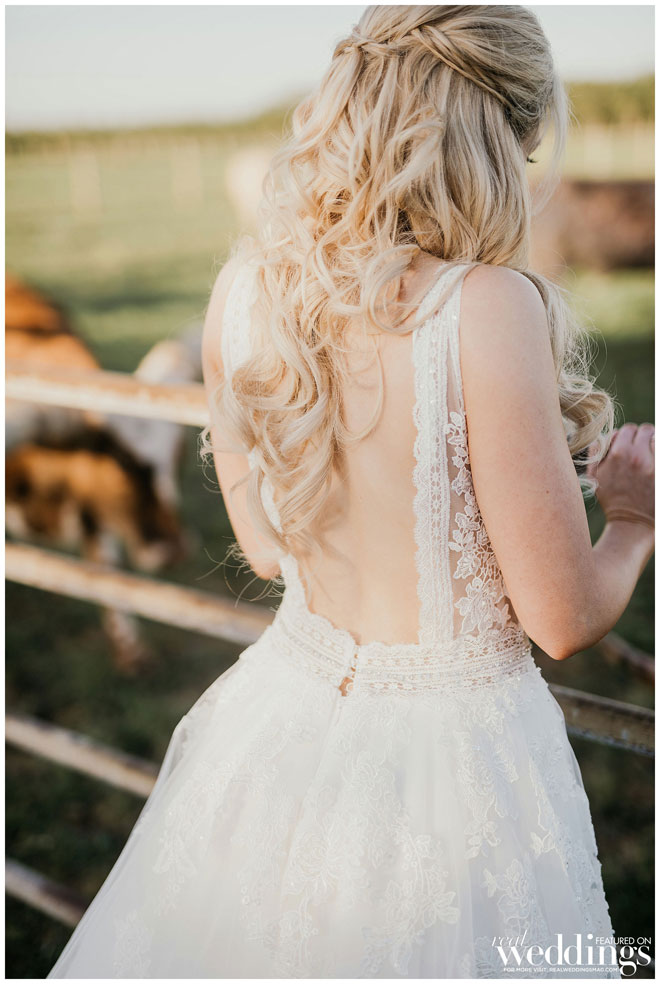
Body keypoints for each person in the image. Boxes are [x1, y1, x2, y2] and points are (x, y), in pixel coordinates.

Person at [48, 5, 654, 979]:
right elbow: (564, 618)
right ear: (492, 140)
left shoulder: (244, 292)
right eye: (528, 148)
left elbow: (262, 548)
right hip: (454, 773)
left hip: (283, 726)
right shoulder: (486, 306)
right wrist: (631, 519)